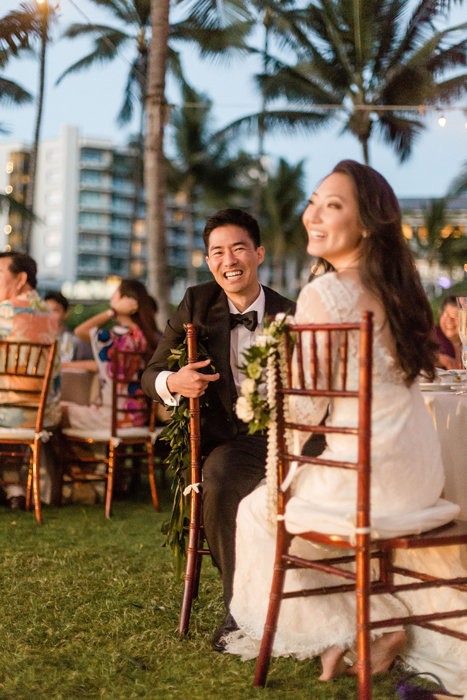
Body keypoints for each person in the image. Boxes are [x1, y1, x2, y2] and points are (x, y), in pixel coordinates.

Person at [225, 161, 455, 680]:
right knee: (295, 503)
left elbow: (306, 411)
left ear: (367, 224)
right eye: (313, 202)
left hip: (368, 475)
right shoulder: (401, 289)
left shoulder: (325, 292)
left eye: (334, 205)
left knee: (258, 512)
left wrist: (266, 394)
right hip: (419, 469)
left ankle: (363, 625)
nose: (314, 215)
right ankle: (361, 627)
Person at [141, 208, 295, 646]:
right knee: (223, 478)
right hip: (227, 440)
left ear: (259, 253)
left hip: (284, 436)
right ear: (209, 262)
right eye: (218, 252)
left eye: (239, 248)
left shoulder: (289, 312)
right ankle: (240, 612)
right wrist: (174, 380)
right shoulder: (197, 301)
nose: (229, 259)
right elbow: (149, 375)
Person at [0, 251, 61, 509]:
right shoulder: (50, 315)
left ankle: (13, 488)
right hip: (42, 413)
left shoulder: (4, 311)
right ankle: (15, 490)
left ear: (21, 278)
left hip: (7, 413)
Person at [61, 278, 160, 432]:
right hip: (139, 416)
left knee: (53, 412)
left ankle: (81, 456)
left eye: (114, 296)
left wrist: (111, 312)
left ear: (125, 301)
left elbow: (80, 331)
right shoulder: (148, 337)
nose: (111, 300)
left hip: (111, 418)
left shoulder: (114, 337)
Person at [44, 290, 93, 362]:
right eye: (46, 310)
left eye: (55, 310)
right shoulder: (37, 338)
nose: (50, 315)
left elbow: (89, 365)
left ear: (66, 313)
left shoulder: (77, 340)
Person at [434, 295, 462, 370]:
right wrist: (444, 360)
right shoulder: (431, 335)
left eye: (455, 316)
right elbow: (411, 356)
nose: (449, 320)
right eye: (446, 314)